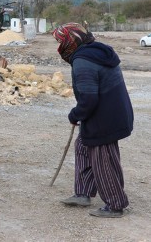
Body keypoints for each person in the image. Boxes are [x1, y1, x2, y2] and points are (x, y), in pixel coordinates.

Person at [52, 22, 133, 218]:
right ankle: (83, 193)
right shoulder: (97, 51)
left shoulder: (83, 60)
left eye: (60, 40)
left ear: (71, 41)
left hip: (104, 119)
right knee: (83, 147)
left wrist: (75, 115)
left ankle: (115, 204)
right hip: (111, 113)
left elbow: (88, 99)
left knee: (103, 159)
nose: (58, 45)